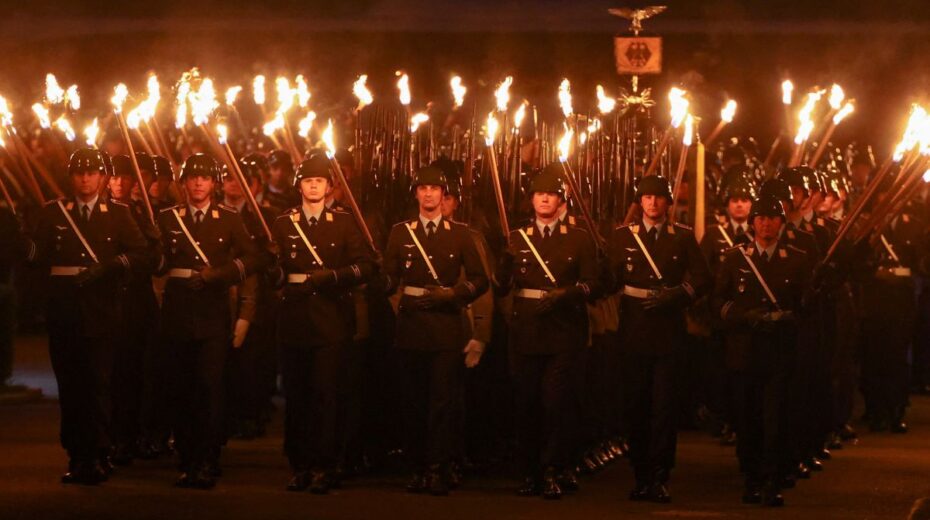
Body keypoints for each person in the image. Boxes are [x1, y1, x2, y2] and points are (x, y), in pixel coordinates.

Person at [28, 148, 149, 484]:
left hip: (102, 312)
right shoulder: (53, 213)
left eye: (92, 173)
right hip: (64, 313)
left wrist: (109, 268)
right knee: (70, 386)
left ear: (102, 177)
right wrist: (21, 240)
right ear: (71, 177)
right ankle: (76, 454)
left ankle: (99, 452)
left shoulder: (118, 213)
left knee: (98, 385)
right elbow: (36, 258)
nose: (85, 178)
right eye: (79, 173)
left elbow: (140, 253)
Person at [155, 153, 261, 489]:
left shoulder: (228, 219)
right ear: (183, 183)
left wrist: (220, 275)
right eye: (192, 178)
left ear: (213, 184)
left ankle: (206, 457)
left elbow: (251, 258)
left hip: (213, 314)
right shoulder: (167, 219)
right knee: (180, 389)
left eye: (204, 178)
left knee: (208, 388)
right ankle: (186, 458)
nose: (198, 183)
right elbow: (157, 265)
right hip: (177, 314)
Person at [270, 155, 374, 493]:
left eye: (319, 181)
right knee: (296, 396)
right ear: (298, 185)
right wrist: (275, 271)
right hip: (295, 318)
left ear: (330, 187)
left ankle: (325, 465)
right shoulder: (284, 222)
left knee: (326, 395)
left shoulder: (343, 223)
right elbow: (278, 268)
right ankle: (299, 464)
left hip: (331, 319)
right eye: (307, 180)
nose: (313, 186)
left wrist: (332, 276)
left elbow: (365, 266)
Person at [381, 165, 488, 496]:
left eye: (435, 189)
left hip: (445, 325)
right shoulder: (400, 233)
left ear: (445, 196)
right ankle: (416, 465)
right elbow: (390, 278)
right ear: (416, 194)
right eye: (423, 188)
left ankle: (438, 466)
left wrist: (454, 294)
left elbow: (480, 279)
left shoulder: (460, 234)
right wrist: (378, 277)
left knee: (442, 402)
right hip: (412, 324)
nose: (428, 194)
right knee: (413, 400)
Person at [496, 166, 599, 499]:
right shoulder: (516, 238)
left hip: (563, 331)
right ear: (531, 200)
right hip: (526, 331)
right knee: (526, 404)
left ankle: (553, 468)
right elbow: (500, 287)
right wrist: (504, 262)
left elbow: (594, 284)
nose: (544, 199)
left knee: (555, 404)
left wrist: (566, 295)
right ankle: (529, 472)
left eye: (551, 194)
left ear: (560, 200)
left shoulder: (579, 237)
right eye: (539, 194)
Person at [608, 175, 711, 503]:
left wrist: (678, 295)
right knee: (636, 407)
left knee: (664, 409)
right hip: (634, 331)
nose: (652, 203)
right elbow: (608, 281)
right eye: (646, 197)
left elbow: (702, 277)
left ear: (668, 202)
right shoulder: (623, 237)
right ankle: (640, 474)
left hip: (667, 334)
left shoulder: (680, 238)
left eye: (658, 197)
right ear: (640, 202)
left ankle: (660, 475)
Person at [712, 196, 809, 507]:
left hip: (779, 351)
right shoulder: (735, 259)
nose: (766, 224)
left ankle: (771, 479)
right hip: (745, 351)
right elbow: (717, 302)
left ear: (781, 223)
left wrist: (790, 317)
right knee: (748, 418)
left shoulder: (795, 259)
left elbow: (805, 304)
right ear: (753, 223)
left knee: (776, 417)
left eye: (772, 218)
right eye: (761, 218)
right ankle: (752, 476)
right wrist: (745, 317)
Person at [106, 155, 161, 466]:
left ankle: (135, 434)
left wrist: (153, 243)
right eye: (114, 177)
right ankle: (112, 437)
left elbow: (153, 260)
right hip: (109, 302)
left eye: (125, 177)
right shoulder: (100, 213)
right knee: (111, 375)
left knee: (139, 374)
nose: (119, 183)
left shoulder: (142, 213)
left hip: (138, 304)